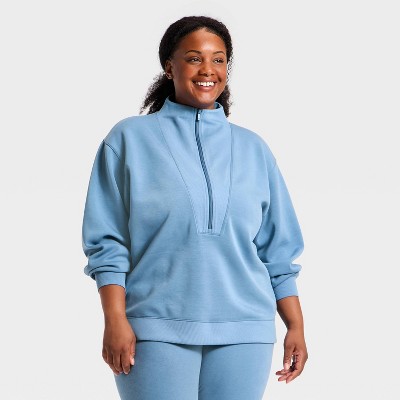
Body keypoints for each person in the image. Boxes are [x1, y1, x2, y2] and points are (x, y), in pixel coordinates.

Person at [82, 15, 308, 400]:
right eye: (194, 58)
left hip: (246, 332)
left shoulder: (254, 149)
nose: (207, 70)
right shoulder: (128, 139)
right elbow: (107, 241)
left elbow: (278, 251)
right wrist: (114, 318)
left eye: (218, 60)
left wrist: (296, 326)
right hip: (154, 328)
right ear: (169, 67)